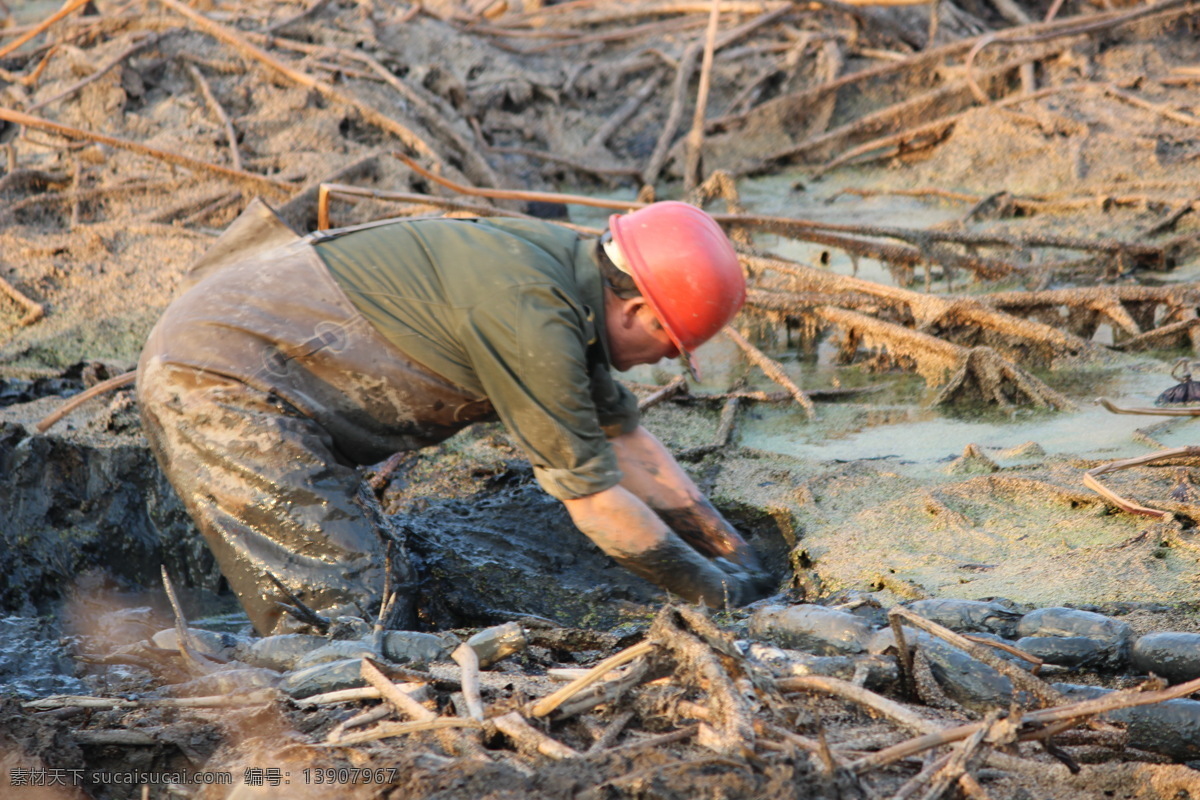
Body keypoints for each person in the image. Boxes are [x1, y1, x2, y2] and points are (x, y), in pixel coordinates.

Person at [137, 199, 772, 636]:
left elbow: (624, 443)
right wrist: (715, 595)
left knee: (376, 595)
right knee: (352, 619)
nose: (662, 360)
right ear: (637, 311)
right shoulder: (533, 315)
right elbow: (597, 501)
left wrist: (736, 556)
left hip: (258, 360)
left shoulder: (568, 275)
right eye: (672, 346)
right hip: (217, 377)